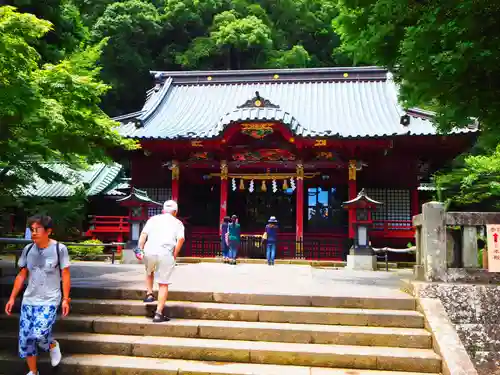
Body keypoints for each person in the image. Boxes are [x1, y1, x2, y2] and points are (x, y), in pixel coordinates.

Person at [5, 215, 71, 375]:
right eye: (31, 230)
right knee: (26, 338)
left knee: (40, 333)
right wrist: (12, 297)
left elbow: (66, 275)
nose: (33, 233)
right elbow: (22, 275)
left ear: (48, 231)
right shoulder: (28, 249)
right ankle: (33, 371)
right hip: (29, 299)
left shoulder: (59, 249)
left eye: (37, 230)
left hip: (49, 299)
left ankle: (52, 345)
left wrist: (65, 299)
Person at [137, 200, 185, 323]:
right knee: (163, 284)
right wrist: (175, 254)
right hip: (165, 253)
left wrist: (140, 249)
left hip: (149, 251)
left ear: (163, 210)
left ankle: (149, 294)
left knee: (149, 270)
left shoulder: (153, 219)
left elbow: (143, 234)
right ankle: (158, 314)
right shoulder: (178, 223)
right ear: (175, 212)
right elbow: (181, 239)